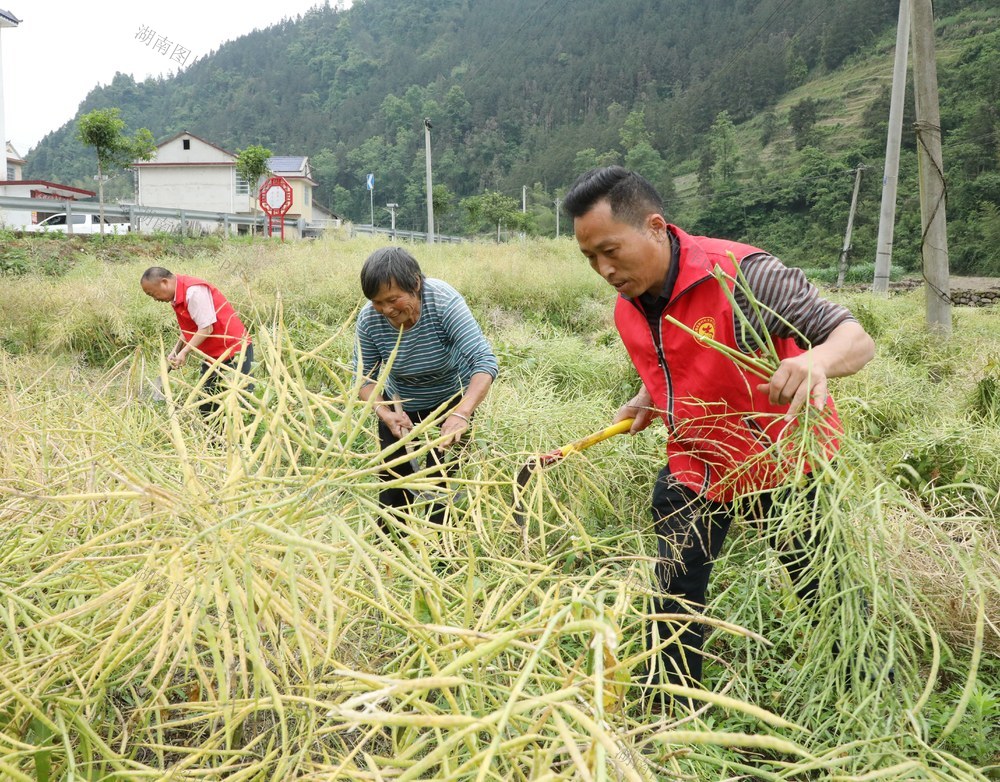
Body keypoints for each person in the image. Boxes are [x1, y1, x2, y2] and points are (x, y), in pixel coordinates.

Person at [562, 166, 875, 710]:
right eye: (590, 258)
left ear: (655, 226)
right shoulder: (629, 302)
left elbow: (854, 338)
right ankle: (673, 713)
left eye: (610, 250)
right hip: (697, 464)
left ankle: (865, 693)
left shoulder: (742, 274)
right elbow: (675, 360)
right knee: (674, 593)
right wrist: (649, 395)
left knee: (824, 590)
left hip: (779, 461)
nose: (603, 269)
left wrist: (816, 360)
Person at [354, 247, 498, 527]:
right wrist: (385, 413)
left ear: (416, 284)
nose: (386, 310)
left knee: (443, 486)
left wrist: (461, 413)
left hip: (451, 403)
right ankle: (393, 556)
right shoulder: (369, 320)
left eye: (393, 299)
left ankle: (445, 558)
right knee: (394, 486)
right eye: (377, 302)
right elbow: (364, 379)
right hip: (399, 407)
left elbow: (484, 362)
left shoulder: (443, 302)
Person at [140, 266, 253, 416]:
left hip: (235, 351)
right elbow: (189, 328)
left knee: (239, 405)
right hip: (214, 356)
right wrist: (176, 351)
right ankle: (215, 439)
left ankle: (240, 438)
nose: (155, 299)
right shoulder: (177, 296)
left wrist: (185, 352)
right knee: (208, 407)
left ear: (164, 282)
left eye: (153, 294)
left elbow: (206, 328)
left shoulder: (193, 292)